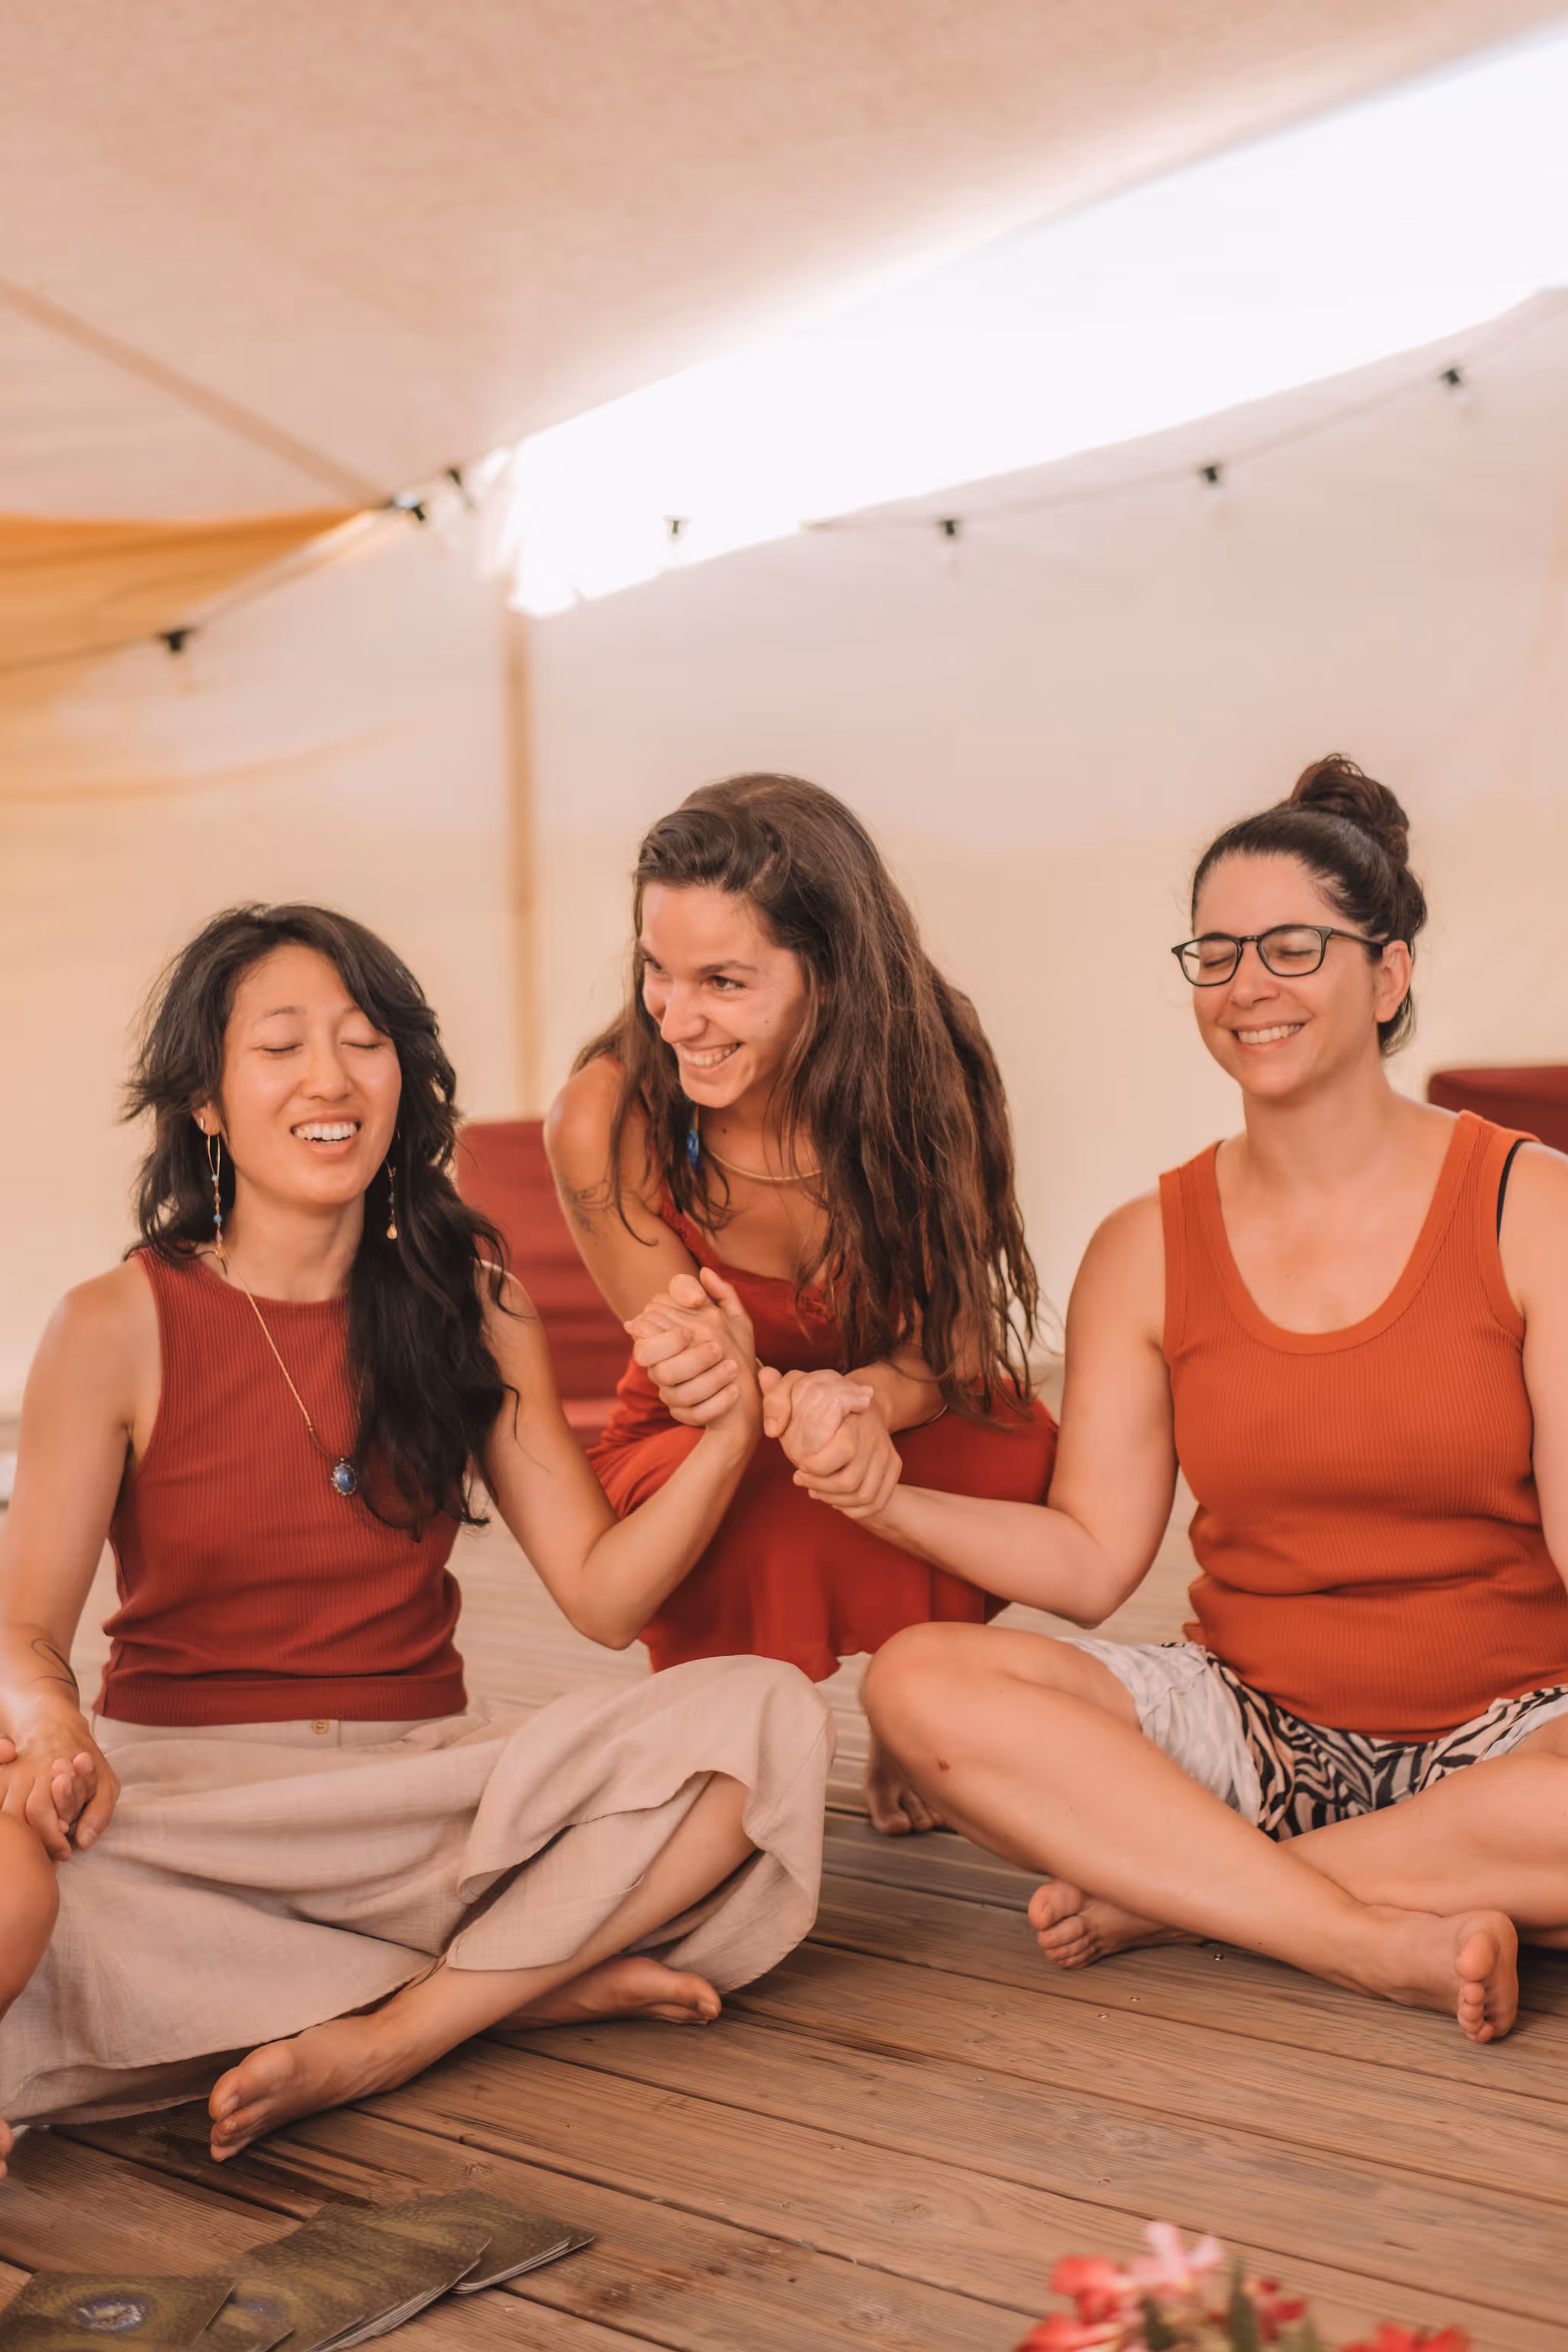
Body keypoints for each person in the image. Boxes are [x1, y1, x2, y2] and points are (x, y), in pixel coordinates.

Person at [0, 904, 831, 2179]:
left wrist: (728, 1436)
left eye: (364, 1040)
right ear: (207, 1102)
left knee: (761, 1720)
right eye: (280, 1048)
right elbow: (20, 1632)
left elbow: (605, 1600)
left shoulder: (471, 1298)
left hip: (431, 1795)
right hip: (199, 1820)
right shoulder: (114, 1320)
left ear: (405, 1073)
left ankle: (389, 2032)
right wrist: (58, 1736)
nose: (332, 1079)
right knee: (34, 1898)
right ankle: (516, 1977)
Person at [789, 757, 1568, 2043]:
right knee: (921, 1689)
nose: (1247, 984)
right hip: (1254, 1729)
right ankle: (1370, 1931)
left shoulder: (1530, 1206)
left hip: (1515, 1730)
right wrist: (886, 1498)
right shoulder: (1145, 1244)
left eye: (1292, 948)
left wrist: (1163, 1880)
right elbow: (1093, 1561)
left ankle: (1189, 1895)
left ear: (1389, 974)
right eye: (1215, 953)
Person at [548, 774, 1057, 1834]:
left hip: (887, 1406)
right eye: (657, 970)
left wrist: (863, 1403)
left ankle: (910, 1700)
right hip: (711, 1432)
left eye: (724, 982)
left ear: (828, 973)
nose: (677, 1018)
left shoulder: (929, 1066)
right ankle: (718, 1733)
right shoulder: (605, 1119)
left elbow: (955, 1344)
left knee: (1017, 1459)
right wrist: (771, 1403)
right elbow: (699, 1380)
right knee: (739, 1509)